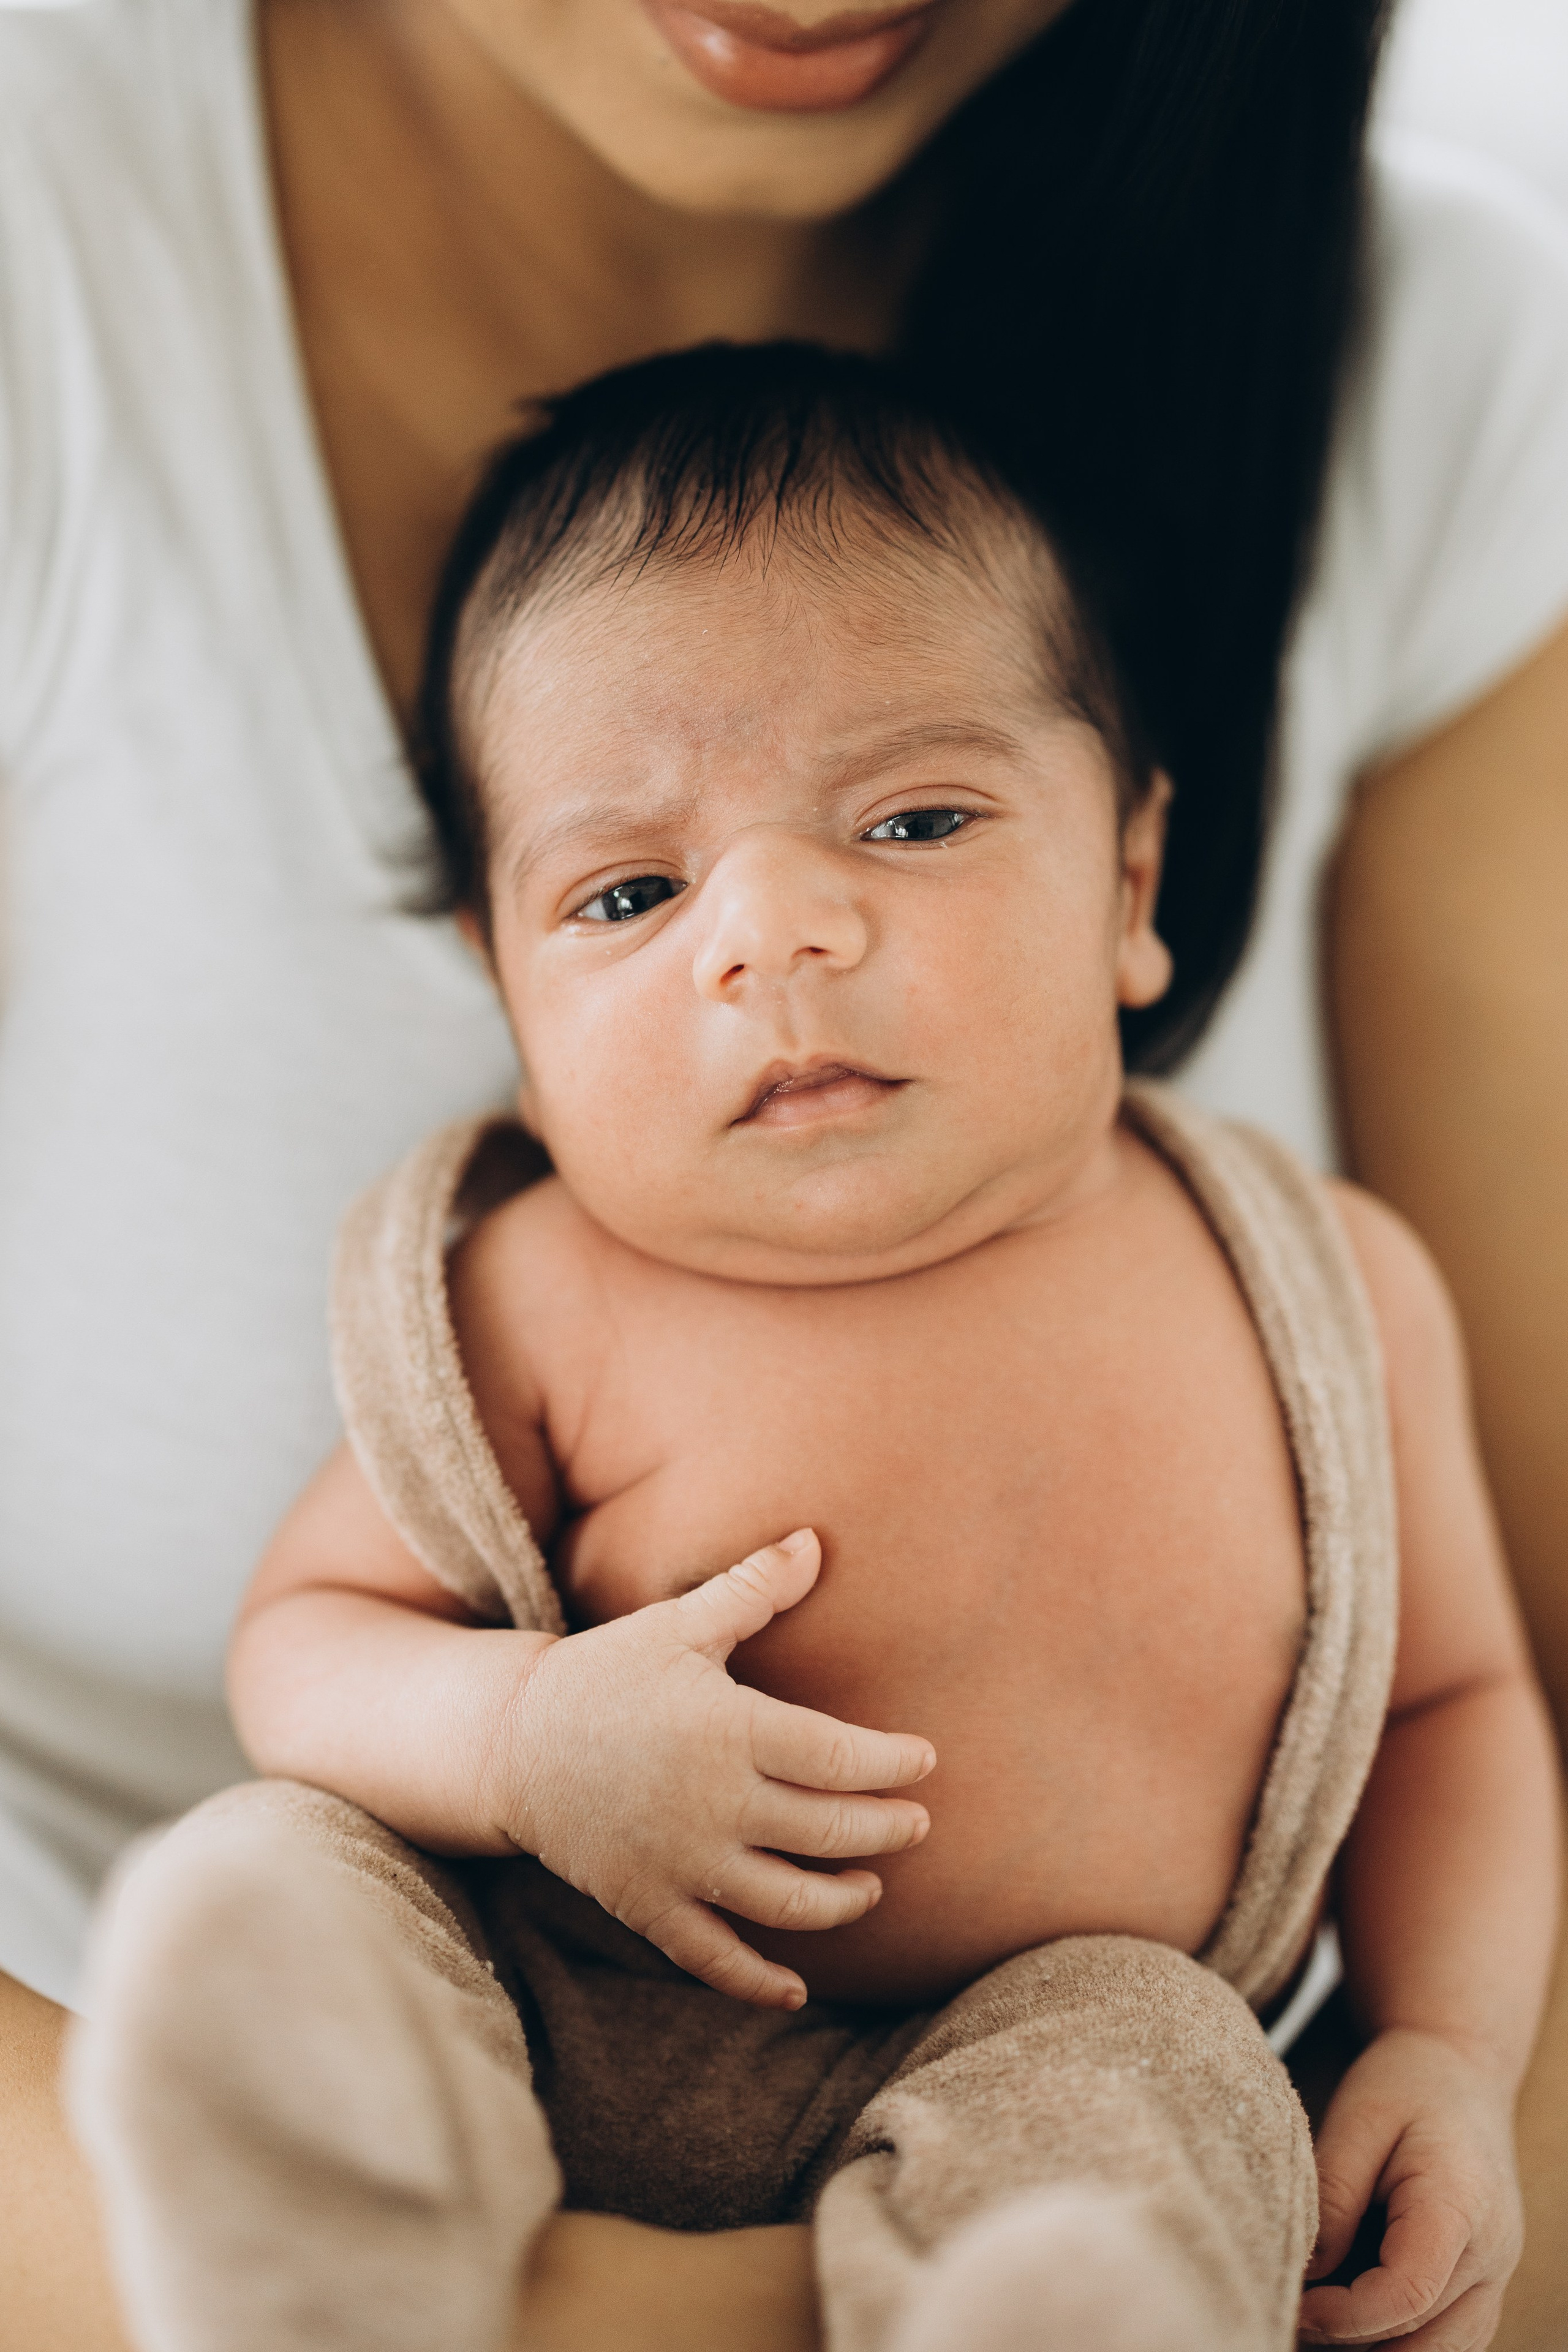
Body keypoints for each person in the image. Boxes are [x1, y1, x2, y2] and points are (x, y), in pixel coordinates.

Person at [0, 3, 1565, 2348]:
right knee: (305, 1889)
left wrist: (1448, 2045)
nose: (779, 932)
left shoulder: (1315, 1289)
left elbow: (1462, 1702)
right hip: (519, 1988)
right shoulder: (529, 1296)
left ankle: (1057, 2312)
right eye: (632, 900)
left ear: (1140, 873)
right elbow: (307, 1649)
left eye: (916, 822)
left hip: (1063, 2020)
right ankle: (305, 2210)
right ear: (502, 990)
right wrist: (521, 1748)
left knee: (1157, 2090)